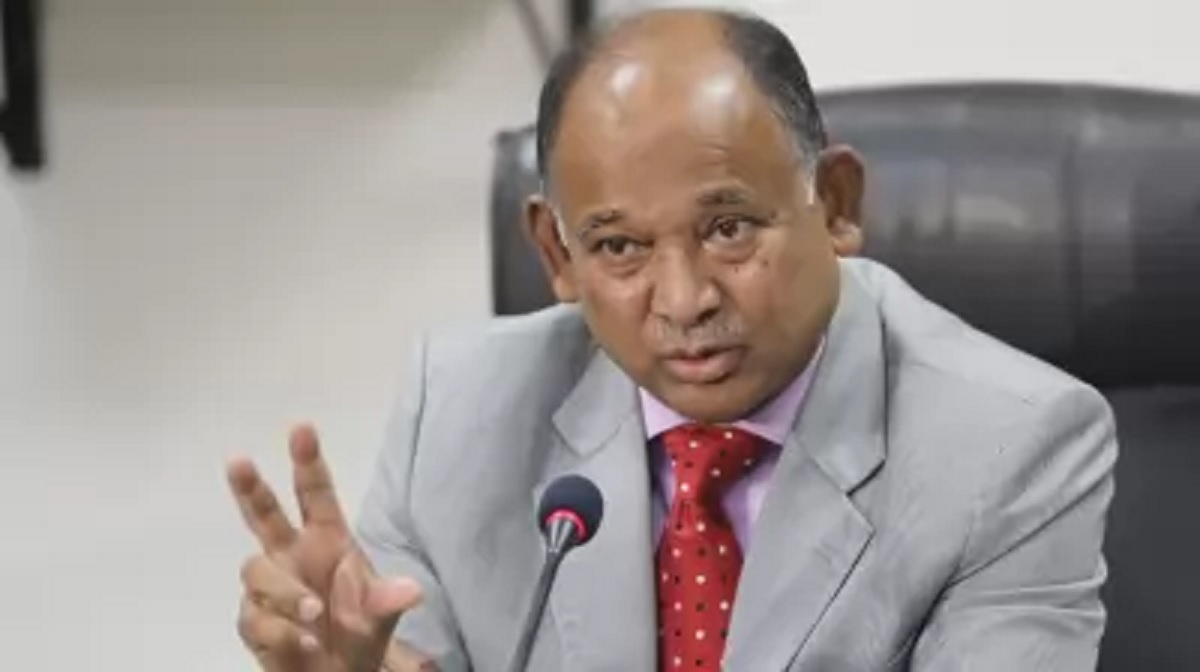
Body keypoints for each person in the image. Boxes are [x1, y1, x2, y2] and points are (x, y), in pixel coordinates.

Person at [226, 7, 1118, 672]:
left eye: (729, 229)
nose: (685, 301)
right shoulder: (458, 411)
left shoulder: (1010, 447)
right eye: (619, 247)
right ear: (557, 255)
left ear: (837, 205)